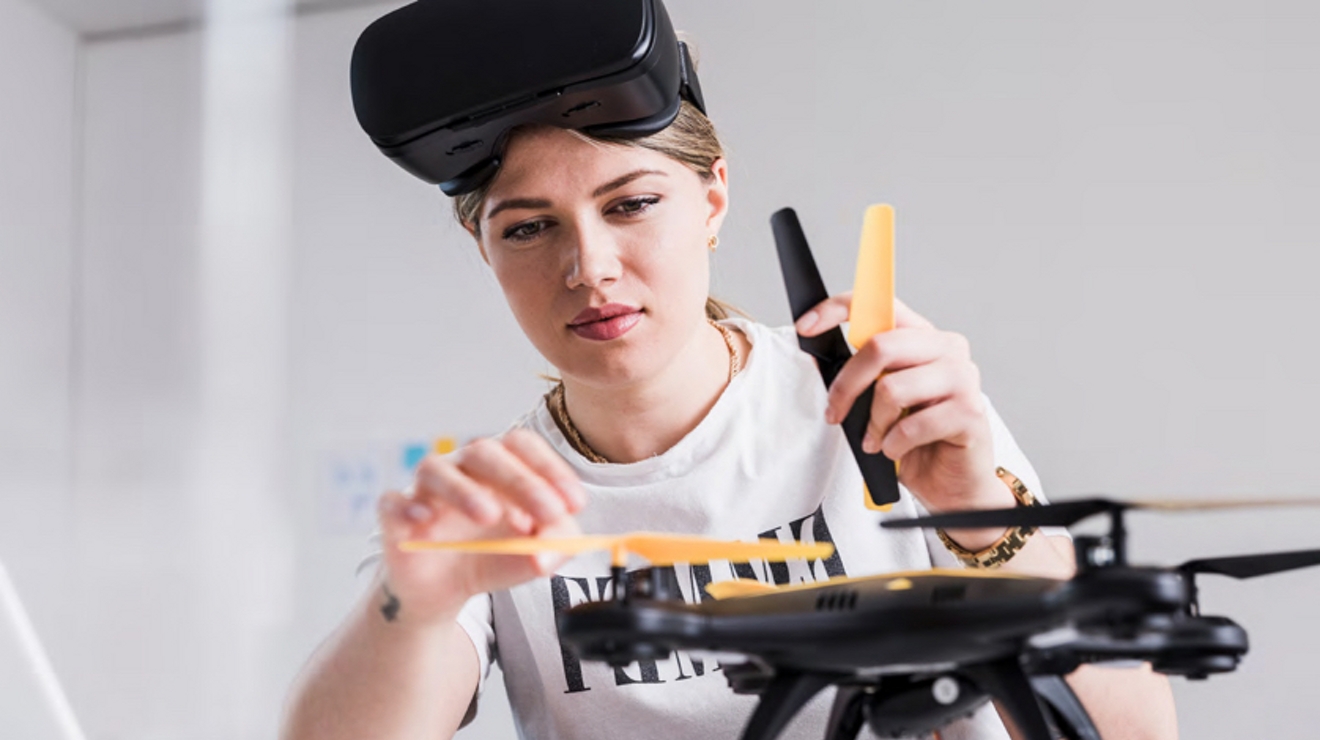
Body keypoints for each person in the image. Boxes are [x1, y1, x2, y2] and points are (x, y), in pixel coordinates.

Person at [282, 84, 1177, 740]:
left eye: (631, 204)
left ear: (712, 201)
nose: (589, 267)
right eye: (528, 227)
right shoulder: (498, 509)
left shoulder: (885, 408)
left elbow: (1133, 734)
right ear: (484, 250)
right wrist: (415, 597)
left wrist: (973, 509)